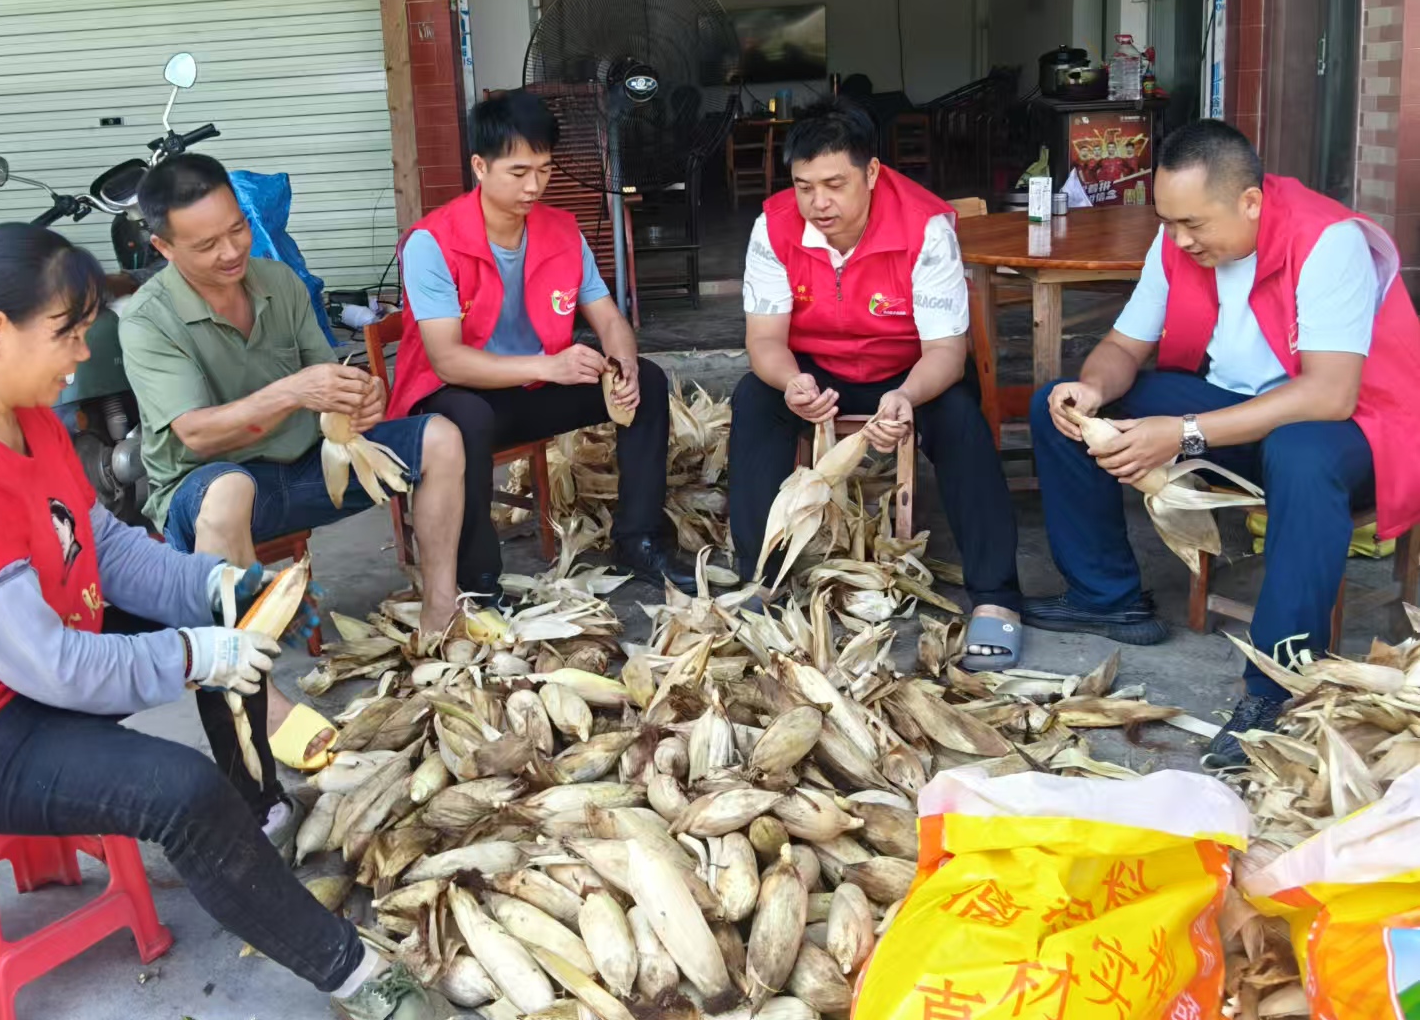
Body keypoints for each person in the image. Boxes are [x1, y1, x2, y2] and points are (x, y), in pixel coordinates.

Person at [0, 224, 432, 1020]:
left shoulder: (24, 411)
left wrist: (216, 585)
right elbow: (52, 666)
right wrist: (194, 653)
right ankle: (362, 981)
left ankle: (257, 813)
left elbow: (101, 545)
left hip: (21, 668)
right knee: (180, 790)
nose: (83, 355)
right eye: (69, 335)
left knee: (230, 620)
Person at [1030, 119, 1420, 769]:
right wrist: (1091, 388)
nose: (1180, 238)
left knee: (1299, 453)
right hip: (1238, 416)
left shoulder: (1329, 243)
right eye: (1170, 221)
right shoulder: (1177, 242)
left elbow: (1330, 395)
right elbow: (1125, 346)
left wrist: (1181, 433)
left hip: (1358, 432)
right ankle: (1107, 596)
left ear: (1250, 202)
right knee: (1058, 409)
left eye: (1194, 224)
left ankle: (1276, 686)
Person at [118, 155, 466, 654]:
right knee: (229, 490)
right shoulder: (148, 320)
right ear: (163, 248)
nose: (232, 250)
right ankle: (244, 674)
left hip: (308, 467)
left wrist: (360, 399)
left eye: (236, 229)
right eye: (207, 245)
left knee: (441, 438)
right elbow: (196, 434)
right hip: (211, 490)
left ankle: (440, 611)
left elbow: (327, 382)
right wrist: (294, 391)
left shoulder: (279, 282)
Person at [728, 101, 1024, 666]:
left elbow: (945, 351)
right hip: (815, 374)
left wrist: (907, 397)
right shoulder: (772, 226)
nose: (819, 203)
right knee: (753, 399)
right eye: (804, 186)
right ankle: (760, 579)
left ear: (871, 173)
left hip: (908, 374)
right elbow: (764, 340)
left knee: (961, 418)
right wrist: (792, 382)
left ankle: (996, 598)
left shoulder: (926, 226)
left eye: (835, 184)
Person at [387, 90, 696, 595]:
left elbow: (609, 318)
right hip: (458, 394)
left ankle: (639, 541)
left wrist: (624, 366)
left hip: (529, 392)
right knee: (467, 419)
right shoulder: (432, 242)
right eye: (518, 172)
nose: (534, 187)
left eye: (545, 170)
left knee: (651, 384)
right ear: (480, 167)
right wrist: (549, 367)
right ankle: (477, 580)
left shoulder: (562, 230)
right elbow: (447, 361)